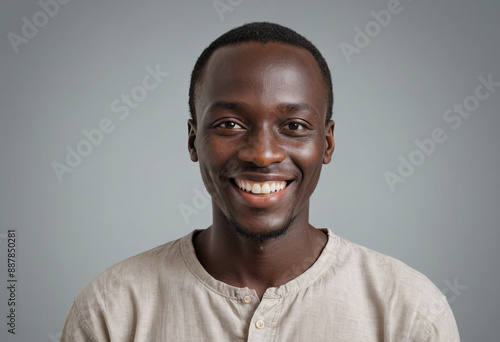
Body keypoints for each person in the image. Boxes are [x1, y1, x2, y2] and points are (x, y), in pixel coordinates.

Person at [61, 22, 460, 341]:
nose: (263, 153)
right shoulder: (110, 311)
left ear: (328, 143)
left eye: (294, 126)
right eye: (230, 124)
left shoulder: (410, 314)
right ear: (192, 140)